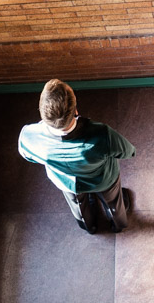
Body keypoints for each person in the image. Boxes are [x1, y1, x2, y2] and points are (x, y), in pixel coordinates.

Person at [18, 79, 136, 233]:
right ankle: (118, 225)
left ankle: (90, 227)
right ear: (75, 111)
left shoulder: (28, 136)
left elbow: (28, 156)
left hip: (66, 182)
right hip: (102, 180)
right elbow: (128, 152)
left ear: (42, 112)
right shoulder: (101, 134)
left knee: (79, 207)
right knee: (114, 203)